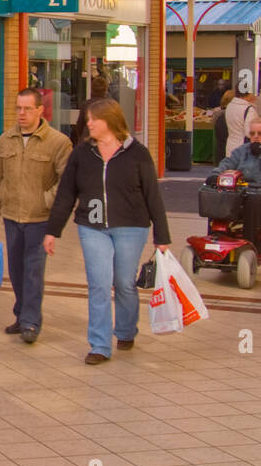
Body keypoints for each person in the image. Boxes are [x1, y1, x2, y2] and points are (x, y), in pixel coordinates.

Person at [45, 99, 171, 365]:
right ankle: (100, 345)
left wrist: (162, 237)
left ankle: (125, 330)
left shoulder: (137, 153)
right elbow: (66, 194)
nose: (88, 123)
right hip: (92, 228)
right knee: (99, 284)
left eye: (94, 119)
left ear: (110, 121)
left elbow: (153, 196)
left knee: (124, 282)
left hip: (131, 226)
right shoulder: (81, 154)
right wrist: (52, 231)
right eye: (88, 119)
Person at [0, 89, 72, 345]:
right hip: (12, 215)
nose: (21, 114)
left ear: (40, 110)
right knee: (17, 270)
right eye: (18, 108)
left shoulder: (58, 142)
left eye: (27, 109)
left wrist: (46, 201)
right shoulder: (5, 140)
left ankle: (31, 321)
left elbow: (67, 183)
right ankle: (21, 315)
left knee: (33, 270)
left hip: (39, 218)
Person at [217, 115, 261, 246]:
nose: (256, 136)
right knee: (218, 195)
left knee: (253, 200)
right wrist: (216, 174)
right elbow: (227, 163)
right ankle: (218, 236)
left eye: (260, 133)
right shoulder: (243, 150)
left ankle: (248, 243)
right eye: (252, 133)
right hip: (243, 191)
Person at [71, 75, 109, 144]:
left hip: (87, 141)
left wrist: (81, 137)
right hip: (105, 141)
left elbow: (80, 125)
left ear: (92, 89)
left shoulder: (86, 104)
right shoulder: (111, 105)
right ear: (105, 89)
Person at [224, 83, 257, 155]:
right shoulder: (249, 109)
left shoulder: (230, 106)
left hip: (230, 145)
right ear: (248, 93)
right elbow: (249, 132)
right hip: (243, 149)